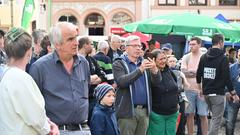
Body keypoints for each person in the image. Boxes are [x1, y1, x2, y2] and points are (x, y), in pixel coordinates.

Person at [29, 22, 91, 135]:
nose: (76, 42)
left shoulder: (84, 63)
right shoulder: (39, 68)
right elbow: (33, 106)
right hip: (56, 131)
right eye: (70, 39)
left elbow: (87, 90)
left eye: (76, 37)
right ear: (57, 44)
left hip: (84, 129)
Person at [0, 27, 59, 135]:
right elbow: (36, 117)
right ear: (29, 52)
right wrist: (49, 128)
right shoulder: (20, 78)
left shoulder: (5, 75)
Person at [112, 35, 159, 135]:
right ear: (126, 48)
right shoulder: (119, 63)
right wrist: (140, 70)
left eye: (139, 46)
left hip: (144, 111)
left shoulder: (144, 62)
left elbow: (157, 84)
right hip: (127, 111)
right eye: (134, 46)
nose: (138, 48)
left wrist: (155, 71)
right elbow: (121, 82)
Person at [196, 33, 239, 135]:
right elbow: (227, 79)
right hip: (218, 95)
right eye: (223, 42)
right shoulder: (223, 58)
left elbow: (198, 75)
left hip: (206, 94)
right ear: (220, 42)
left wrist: (200, 89)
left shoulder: (204, 56)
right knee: (216, 122)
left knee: (214, 119)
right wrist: (234, 93)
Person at [147, 49, 179, 135]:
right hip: (157, 114)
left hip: (173, 113)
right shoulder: (150, 74)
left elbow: (176, 88)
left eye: (165, 58)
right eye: (161, 59)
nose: (164, 61)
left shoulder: (169, 71)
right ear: (153, 60)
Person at [181, 37, 208, 135]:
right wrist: (197, 72)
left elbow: (206, 73)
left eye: (193, 44)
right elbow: (183, 73)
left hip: (202, 90)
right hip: (189, 90)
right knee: (189, 114)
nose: (191, 46)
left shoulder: (205, 57)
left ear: (199, 45)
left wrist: (193, 72)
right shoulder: (186, 57)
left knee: (203, 115)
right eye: (190, 44)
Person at [78, 36, 106, 125]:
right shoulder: (75, 59)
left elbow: (102, 75)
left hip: (93, 99)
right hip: (80, 99)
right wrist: (90, 78)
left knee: (93, 125)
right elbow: (78, 79)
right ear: (85, 45)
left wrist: (90, 79)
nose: (93, 47)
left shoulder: (92, 59)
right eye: (91, 44)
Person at [168, 55, 189, 135]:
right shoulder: (165, 72)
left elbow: (186, 85)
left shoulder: (180, 72)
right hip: (170, 100)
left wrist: (183, 81)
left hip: (180, 98)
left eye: (174, 61)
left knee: (182, 119)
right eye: (170, 61)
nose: (172, 63)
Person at [226, 49, 240, 135]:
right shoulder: (231, 68)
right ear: (237, 55)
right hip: (233, 98)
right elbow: (226, 81)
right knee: (230, 122)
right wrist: (227, 92)